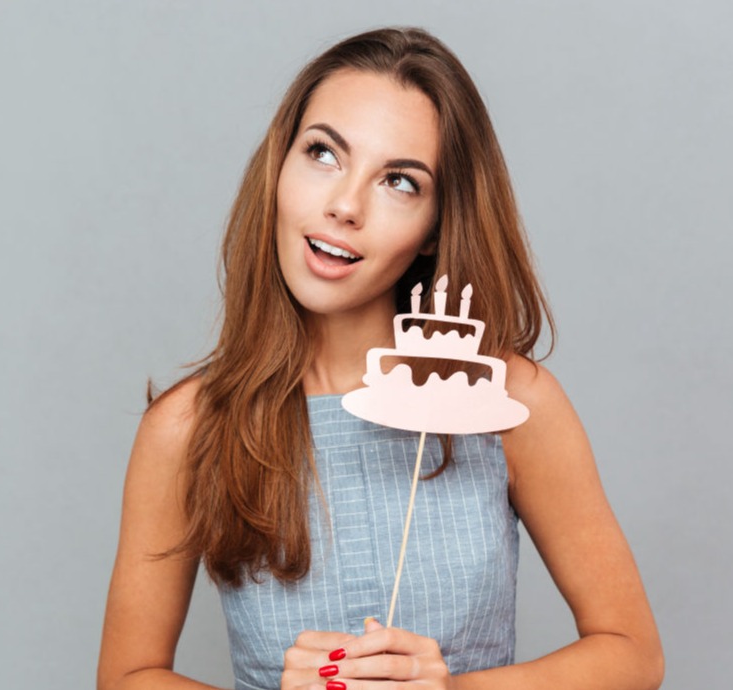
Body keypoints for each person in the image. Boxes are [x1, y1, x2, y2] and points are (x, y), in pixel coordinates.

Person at [97, 27, 663, 690]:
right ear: (279, 167)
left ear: (433, 227)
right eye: (323, 154)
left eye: (399, 181)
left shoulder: (506, 402)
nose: (344, 205)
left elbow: (633, 653)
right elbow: (127, 677)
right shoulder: (187, 427)